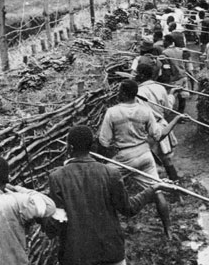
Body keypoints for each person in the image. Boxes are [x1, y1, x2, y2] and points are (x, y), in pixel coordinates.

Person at [46, 125, 175, 265]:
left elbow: (55, 223)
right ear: (92, 146)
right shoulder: (110, 173)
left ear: (69, 148)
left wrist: (40, 216)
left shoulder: (57, 177)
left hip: (76, 256)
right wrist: (153, 188)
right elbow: (129, 209)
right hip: (110, 252)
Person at [99, 79, 188, 238]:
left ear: (124, 93)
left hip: (123, 157)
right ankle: (168, 230)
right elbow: (159, 135)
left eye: (120, 91)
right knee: (156, 190)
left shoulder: (112, 112)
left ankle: (106, 227)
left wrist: (116, 143)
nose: (118, 93)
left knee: (101, 183)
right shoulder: (145, 111)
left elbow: (104, 142)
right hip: (145, 155)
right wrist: (176, 119)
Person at [135, 63, 180, 181]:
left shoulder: (137, 92)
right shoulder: (160, 88)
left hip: (148, 130)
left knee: (152, 163)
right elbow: (167, 110)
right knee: (166, 159)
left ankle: (160, 190)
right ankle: (175, 184)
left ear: (141, 75)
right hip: (162, 126)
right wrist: (171, 96)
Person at [161, 34, 191, 113]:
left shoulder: (164, 53)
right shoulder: (179, 50)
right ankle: (181, 113)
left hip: (174, 78)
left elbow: (166, 68)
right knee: (182, 97)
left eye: (164, 41)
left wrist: (166, 79)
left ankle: (169, 112)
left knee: (171, 95)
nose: (163, 43)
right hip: (183, 76)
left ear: (168, 42)